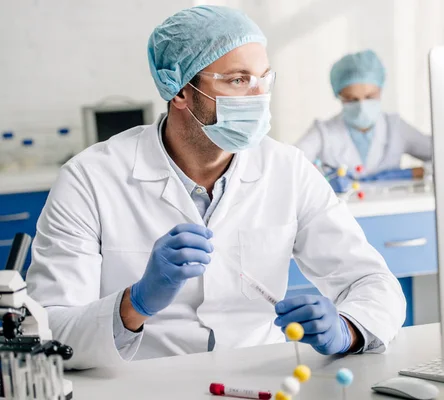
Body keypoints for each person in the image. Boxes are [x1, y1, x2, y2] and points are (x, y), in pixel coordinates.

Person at [25, 6, 405, 370]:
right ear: (179, 89)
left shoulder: (287, 169)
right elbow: (47, 330)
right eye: (239, 80)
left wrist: (348, 329)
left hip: (259, 378)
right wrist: (135, 303)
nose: (259, 97)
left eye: (264, 78)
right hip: (144, 382)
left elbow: (373, 282)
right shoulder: (89, 179)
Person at [295, 50, 432, 186]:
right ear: (339, 96)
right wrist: (321, 180)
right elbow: (290, 166)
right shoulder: (323, 132)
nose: (361, 106)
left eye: (369, 97)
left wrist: (417, 172)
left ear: (380, 91)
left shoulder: (396, 127)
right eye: (351, 99)